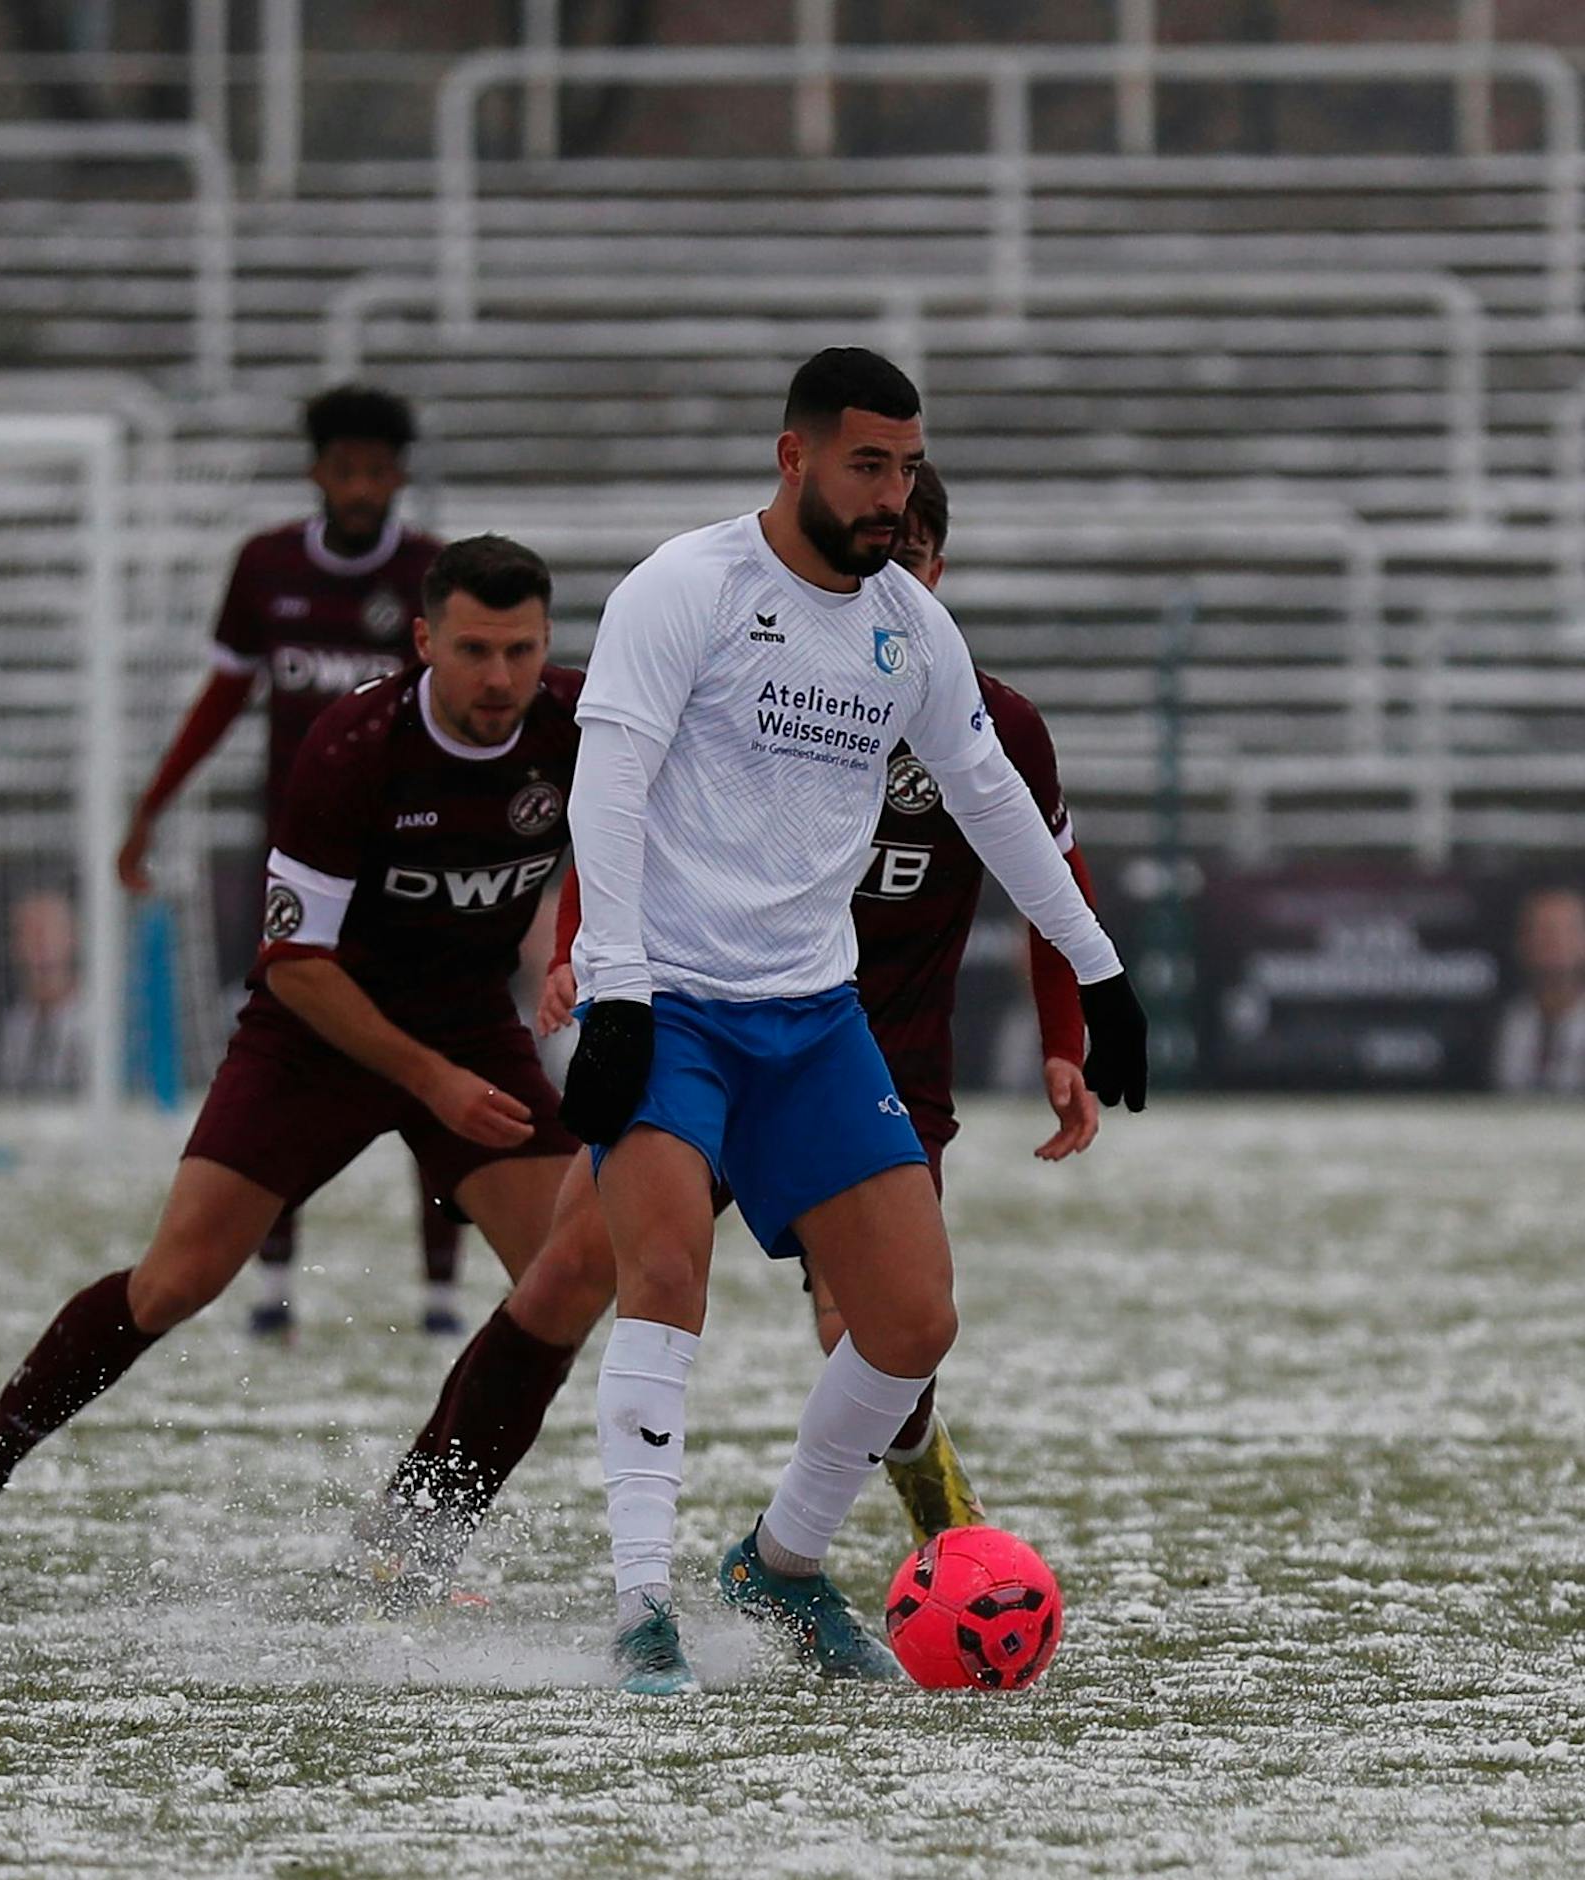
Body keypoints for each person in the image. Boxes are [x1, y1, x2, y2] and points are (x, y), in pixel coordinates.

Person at [370, 459, 1104, 1603]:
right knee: (570, 1274)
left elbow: (1047, 869)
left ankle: (935, 1554)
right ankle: (412, 1536)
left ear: (932, 573)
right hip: (699, 1015)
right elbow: (631, 801)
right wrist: (581, 948)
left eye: (904, 558)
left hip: (870, 1053)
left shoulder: (985, 720)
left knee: (881, 1317)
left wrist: (1066, 1032)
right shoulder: (756, 669)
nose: (873, 579)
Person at [560, 347, 1147, 1693]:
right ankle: (642, 1607)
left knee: (913, 1320)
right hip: (675, 1005)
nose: (892, 495)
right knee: (659, 1276)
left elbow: (996, 802)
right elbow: (608, 790)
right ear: (797, 457)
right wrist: (617, 986)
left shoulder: (911, 626)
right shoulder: (687, 588)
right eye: (868, 465)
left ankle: (780, 1562)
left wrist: (1100, 978)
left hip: (815, 1017)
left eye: (905, 466)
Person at [0, 536, 602, 1589]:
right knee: (174, 1280)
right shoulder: (352, 743)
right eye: (475, 651)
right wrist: (430, 1078)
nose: (499, 678)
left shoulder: (578, 724)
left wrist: (576, 949)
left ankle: (408, 1535)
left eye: (520, 651)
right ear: (422, 642)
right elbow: (295, 963)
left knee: (567, 1279)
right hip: (314, 1032)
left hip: (468, 1027)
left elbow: (636, 837)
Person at [116, 383, 466, 1340]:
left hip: (411, 867)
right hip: (299, 868)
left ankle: (440, 1292)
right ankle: (272, 1282)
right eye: (344, 468)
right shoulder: (264, 566)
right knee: (285, 1056)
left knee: (425, 1059)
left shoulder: (436, 575)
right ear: (318, 471)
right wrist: (151, 807)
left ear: (398, 476)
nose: (361, 486)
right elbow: (223, 699)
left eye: (377, 470)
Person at [1491, 885, 1585, 1095]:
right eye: (1543, 929)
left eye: (1567, 930)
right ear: (1522, 941)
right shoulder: (1503, 1023)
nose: (1555, 941)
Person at [0, 889, 84, 1094]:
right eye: (28, 932)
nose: (40, 943)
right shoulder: (15, 1024)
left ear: (73, 937)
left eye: (50, 930)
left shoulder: (101, 1022)